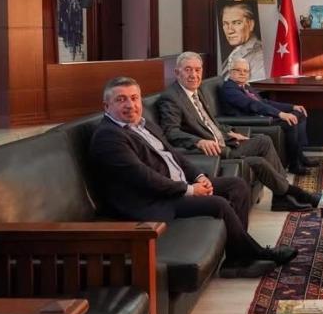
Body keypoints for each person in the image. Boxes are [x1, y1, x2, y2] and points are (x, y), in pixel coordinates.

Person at [89, 76, 297, 279]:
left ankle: (236, 258)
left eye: (134, 98)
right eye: (121, 99)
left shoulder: (144, 124)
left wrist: (198, 176)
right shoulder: (109, 136)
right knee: (218, 204)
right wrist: (189, 190)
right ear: (106, 106)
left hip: (173, 186)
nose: (130, 105)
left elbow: (174, 155)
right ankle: (252, 254)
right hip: (150, 200)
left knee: (236, 185)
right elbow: (144, 178)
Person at [157, 52, 319, 212]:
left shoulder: (196, 91)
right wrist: (198, 141)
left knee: (263, 140)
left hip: (224, 142)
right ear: (177, 72)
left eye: (197, 70)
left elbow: (211, 123)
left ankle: (281, 195)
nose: (193, 75)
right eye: (188, 69)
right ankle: (295, 194)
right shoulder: (171, 98)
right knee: (258, 162)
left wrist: (230, 132)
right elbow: (171, 132)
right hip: (214, 152)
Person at [220, 57, 319, 175]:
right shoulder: (229, 89)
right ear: (230, 72)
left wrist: (291, 107)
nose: (242, 73)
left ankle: (300, 156)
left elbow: (264, 102)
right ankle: (294, 165)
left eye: (245, 71)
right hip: (252, 121)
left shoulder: (245, 87)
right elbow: (252, 105)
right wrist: (280, 114)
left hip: (261, 115)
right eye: (238, 70)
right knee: (289, 122)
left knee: (299, 114)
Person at [219, 2, 267, 82]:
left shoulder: (260, 55)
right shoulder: (236, 50)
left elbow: (256, 87)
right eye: (225, 24)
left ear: (251, 24)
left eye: (237, 23)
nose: (230, 31)